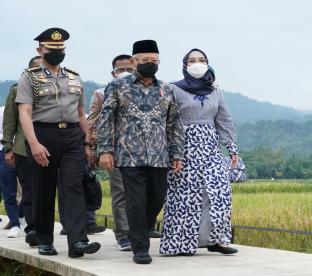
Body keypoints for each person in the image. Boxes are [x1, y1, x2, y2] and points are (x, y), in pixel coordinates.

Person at [16, 27, 101, 258]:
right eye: (52, 49)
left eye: (60, 49)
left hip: (72, 136)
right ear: (40, 50)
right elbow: (24, 112)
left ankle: (78, 242)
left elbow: (81, 112)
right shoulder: (29, 77)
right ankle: (44, 239)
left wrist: (87, 142)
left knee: (74, 187)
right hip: (43, 134)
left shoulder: (74, 76)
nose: (57, 53)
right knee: (44, 188)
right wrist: (33, 143)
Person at [98, 39, 184, 264]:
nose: (150, 64)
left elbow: (173, 124)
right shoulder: (117, 86)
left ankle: (141, 229)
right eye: (145, 60)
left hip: (159, 155)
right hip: (128, 155)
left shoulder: (167, 89)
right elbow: (105, 120)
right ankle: (140, 247)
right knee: (135, 201)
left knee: (157, 198)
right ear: (134, 61)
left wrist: (177, 154)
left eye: (154, 61)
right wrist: (105, 150)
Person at [160, 49, 239, 256]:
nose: (197, 63)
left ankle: (218, 240)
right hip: (182, 147)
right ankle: (180, 243)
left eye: (202, 60)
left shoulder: (215, 91)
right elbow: (165, 119)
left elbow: (224, 120)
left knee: (219, 192)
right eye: (192, 60)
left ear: (208, 63)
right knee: (185, 195)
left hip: (211, 148)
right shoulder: (173, 89)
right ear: (185, 64)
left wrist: (231, 148)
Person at [87, 54, 134, 251]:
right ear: (113, 72)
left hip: (141, 151)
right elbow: (92, 123)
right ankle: (123, 234)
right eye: (120, 69)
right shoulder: (100, 93)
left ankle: (141, 228)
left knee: (142, 192)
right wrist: (93, 147)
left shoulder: (147, 91)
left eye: (130, 69)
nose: (125, 73)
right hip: (113, 150)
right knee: (121, 190)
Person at [2, 56, 42, 243]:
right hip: (22, 149)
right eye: (36, 67)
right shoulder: (17, 90)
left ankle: (47, 225)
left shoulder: (58, 88)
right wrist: (8, 147)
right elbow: (10, 121)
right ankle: (33, 228)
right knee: (28, 189)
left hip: (53, 146)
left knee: (49, 188)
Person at [0, 106, 21, 238]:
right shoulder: (3, 111)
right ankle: (15, 224)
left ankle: (21, 216)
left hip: (25, 151)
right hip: (4, 152)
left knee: (31, 188)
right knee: (9, 192)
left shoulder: (31, 109)